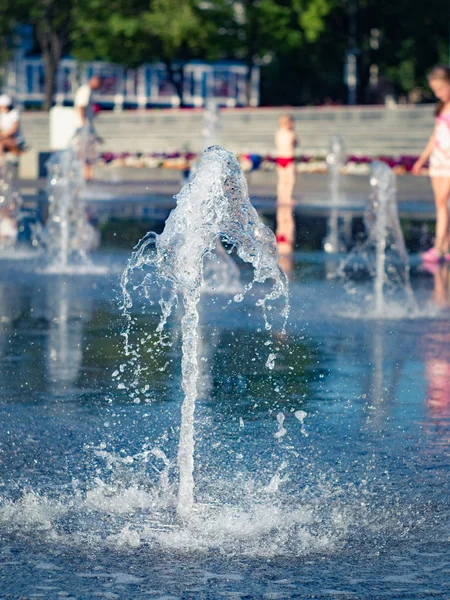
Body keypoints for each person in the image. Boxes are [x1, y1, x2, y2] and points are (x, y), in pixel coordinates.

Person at [412, 65, 450, 262]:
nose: (438, 93)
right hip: (439, 161)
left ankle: (439, 247)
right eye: (435, 90)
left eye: (441, 89)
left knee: (443, 203)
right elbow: (435, 136)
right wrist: (422, 160)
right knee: (441, 204)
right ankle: (443, 246)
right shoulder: (441, 107)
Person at [275, 114, 297, 257]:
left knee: (281, 180)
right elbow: (295, 143)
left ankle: (281, 197)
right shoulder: (291, 134)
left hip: (280, 158)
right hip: (288, 158)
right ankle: (287, 198)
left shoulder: (278, 134)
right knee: (289, 180)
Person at [73, 75, 102, 180]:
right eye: (99, 83)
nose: (99, 86)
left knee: (87, 150)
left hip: (86, 126)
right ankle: (83, 175)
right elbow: (80, 106)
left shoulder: (87, 90)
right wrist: (83, 122)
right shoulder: (86, 90)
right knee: (84, 150)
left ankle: (87, 175)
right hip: (84, 127)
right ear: (93, 81)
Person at [0, 95, 26, 160]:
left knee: (1, 144)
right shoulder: (2, 115)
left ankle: (1, 164)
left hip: (15, 140)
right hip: (5, 138)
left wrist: (3, 135)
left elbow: (14, 129)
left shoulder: (14, 113)